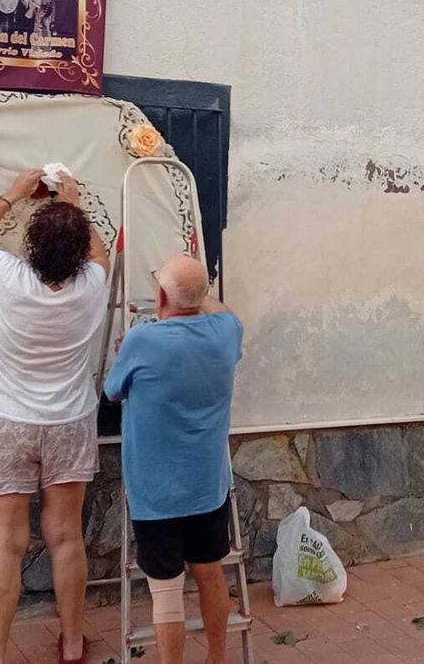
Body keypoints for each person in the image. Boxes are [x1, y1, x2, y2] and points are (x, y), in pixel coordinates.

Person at [0, 168, 110, 664]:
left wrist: (13, 194)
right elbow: (100, 255)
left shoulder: (4, 274)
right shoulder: (92, 285)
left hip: (7, 421)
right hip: (69, 421)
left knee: (4, 544)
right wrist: (74, 204)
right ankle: (72, 645)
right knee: (66, 536)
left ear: (30, 244)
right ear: (78, 251)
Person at [104, 255, 243, 664]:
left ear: (161, 297)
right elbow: (220, 310)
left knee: (166, 590)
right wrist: (197, 292)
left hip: (155, 489)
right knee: (210, 572)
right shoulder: (226, 332)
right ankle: (217, 659)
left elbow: (113, 391)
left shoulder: (142, 340)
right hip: (207, 484)